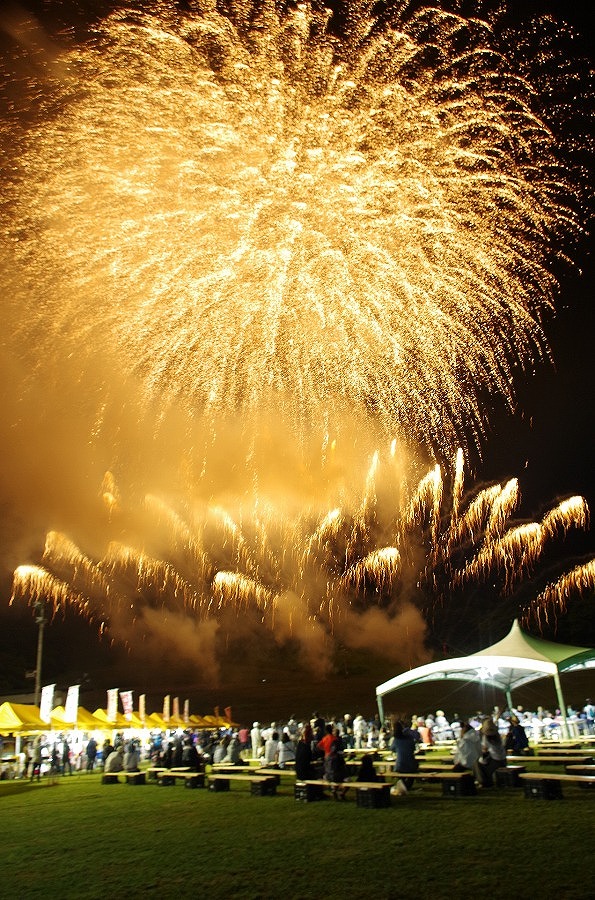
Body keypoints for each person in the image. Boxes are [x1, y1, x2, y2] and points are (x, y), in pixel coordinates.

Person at [477, 717, 506, 787]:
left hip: (495, 760)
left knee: (478, 763)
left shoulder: (486, 737)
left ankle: (484, 782)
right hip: (503, 759)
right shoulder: (497, 735)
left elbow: (484, 750)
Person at [391, 720, 418, 790]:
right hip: (411, 765)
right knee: (413, 770)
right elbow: (413, 748)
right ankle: (407, 786)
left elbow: (392, 748)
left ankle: (404, 785)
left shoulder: (396, 740)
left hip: (400, 766)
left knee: (401, 772)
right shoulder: (409, 738)